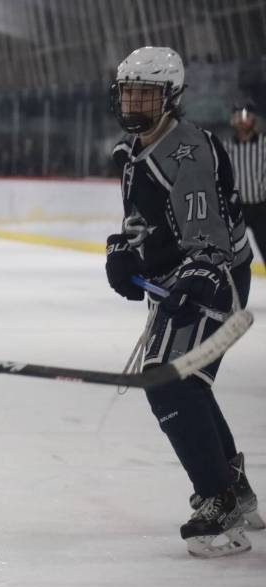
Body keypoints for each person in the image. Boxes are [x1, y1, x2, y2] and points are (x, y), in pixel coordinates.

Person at [104, 46, 263, 558]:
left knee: (170, 383)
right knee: (185, 382)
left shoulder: (188, 153)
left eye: (145, 94)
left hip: (216, 276)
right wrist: (124, 253)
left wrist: (193, 279)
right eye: (128, 92)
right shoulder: (133, 151)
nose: (134, 102)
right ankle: (233, 488)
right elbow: (141, 223)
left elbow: (210, 239)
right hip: (184, 274)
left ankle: (218, 501)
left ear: (169, 99)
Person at [222, 102, 266, 265]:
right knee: (230, 252)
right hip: (236, 208)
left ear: (254, 119)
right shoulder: (226, 147)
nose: (242, 120)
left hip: (262, 208)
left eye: (246, 116)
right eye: (238, 116)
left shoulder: (264, 144)